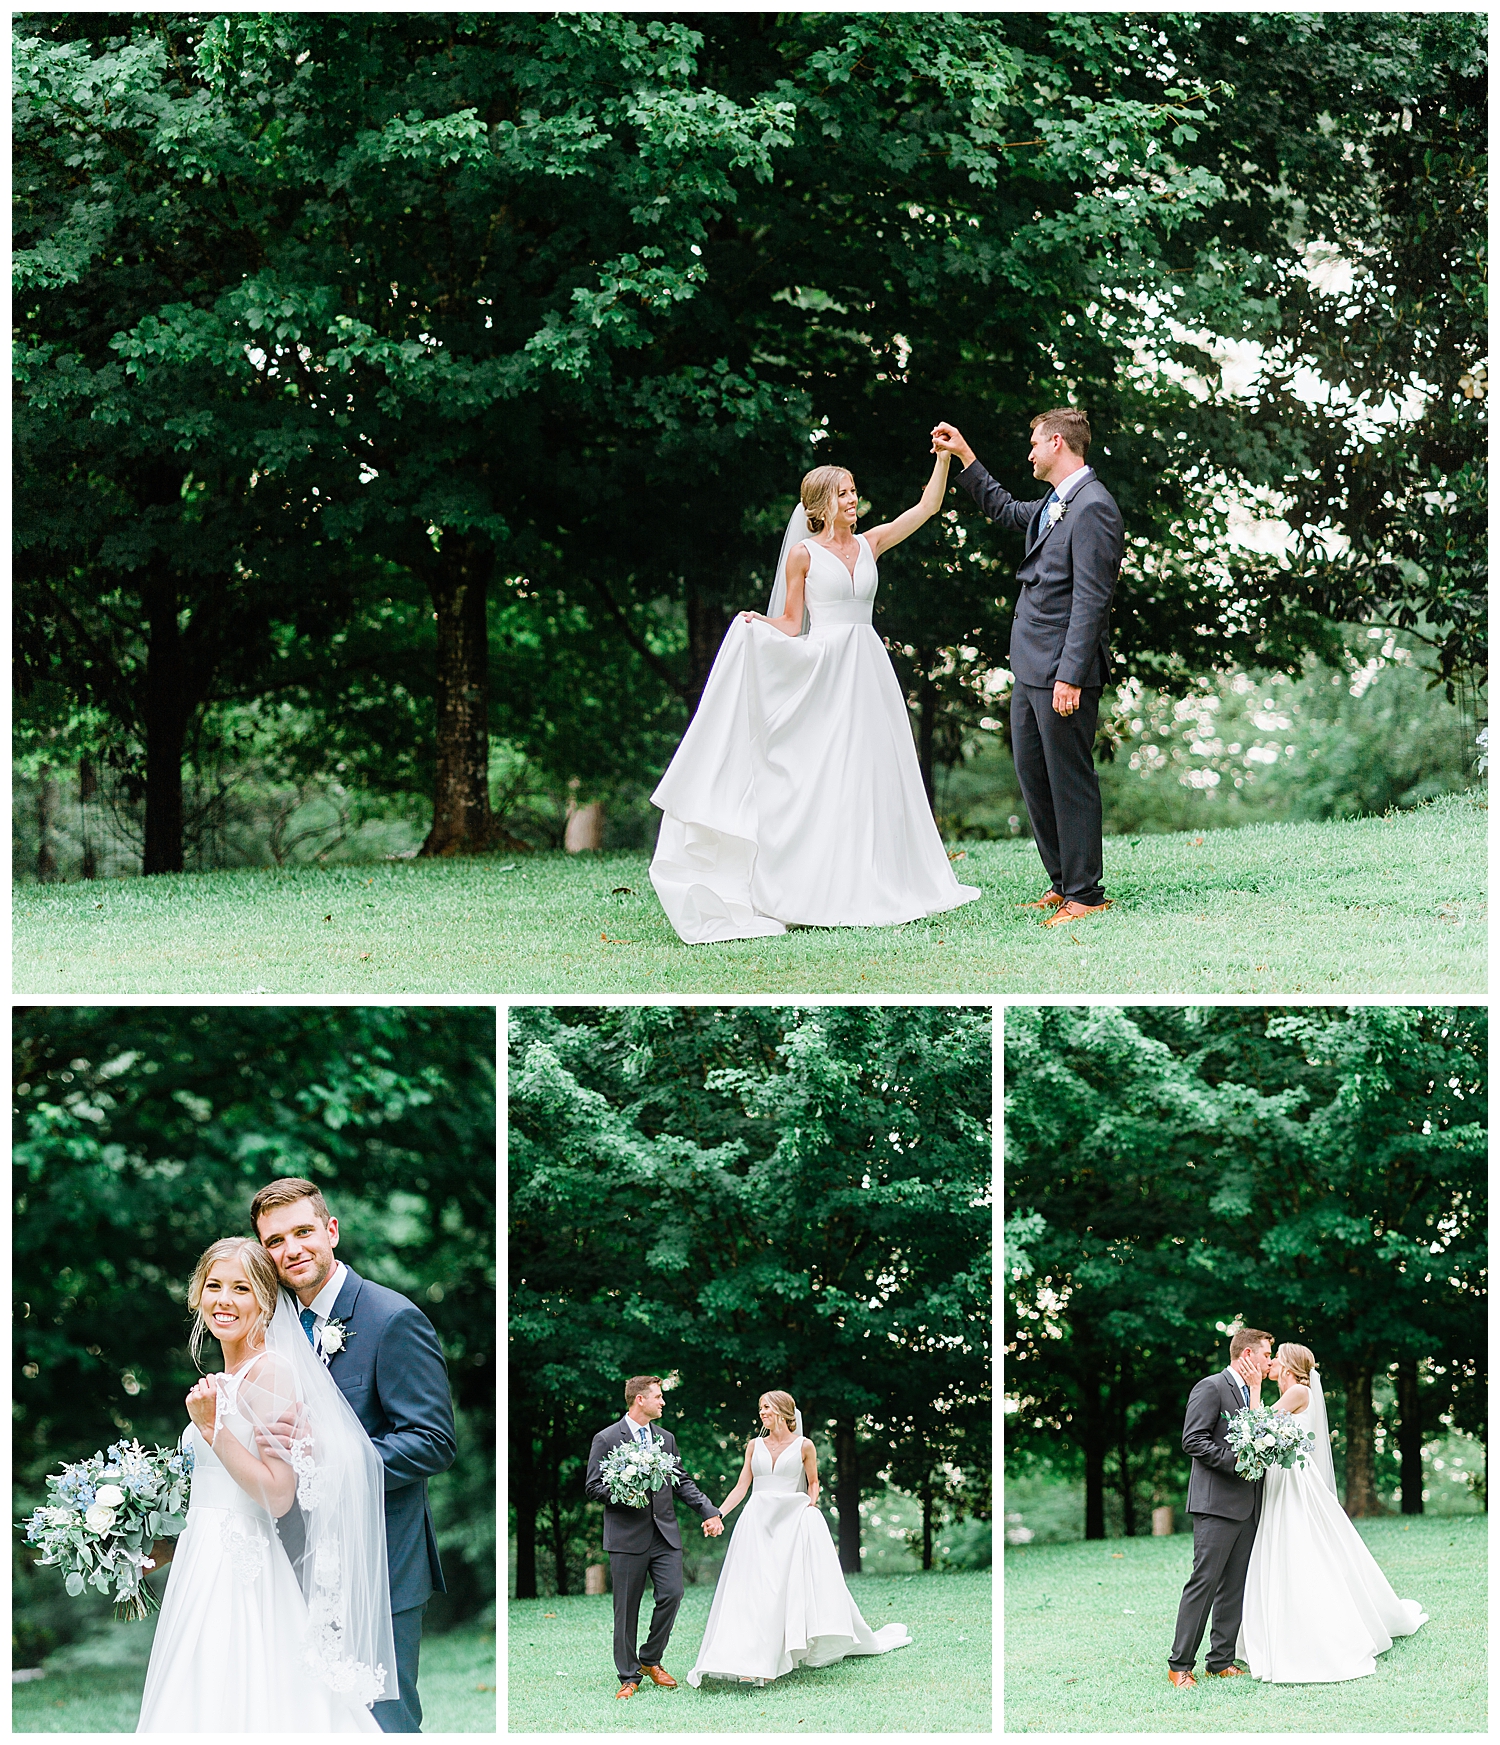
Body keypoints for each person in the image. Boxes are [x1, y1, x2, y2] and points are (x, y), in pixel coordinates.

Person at [648, 452, 981, 942]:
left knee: (874, 772)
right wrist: (755, 625)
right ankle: (811, 886)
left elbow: (928, 507)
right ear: (822, 504)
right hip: (824, 670)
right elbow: (789, 621)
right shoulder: (804, 555)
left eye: (853, 491)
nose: (854, 500)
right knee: (826, 773)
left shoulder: (872, 542)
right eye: (844, 493)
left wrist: (945, 459)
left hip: (868, 668)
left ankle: (880, 879)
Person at [137, 1238, 392, 1732]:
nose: (224, 1300)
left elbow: (277, 1495)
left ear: (265, 1302)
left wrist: (213, 1431)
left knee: (241, 1694)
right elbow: (206, 1495)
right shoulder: (223, 1379)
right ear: (197, 1295)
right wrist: (138, 1552)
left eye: (242, 1288)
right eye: (214, 1286)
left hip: (240, 1566)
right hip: (198, 1559)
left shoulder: (271, 1371)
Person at [252, 1177, 456, 1734]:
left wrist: (331, 1457)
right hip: (298, 1563)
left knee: (383, 1723)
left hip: (381, 1560)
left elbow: (434, 1441)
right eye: (274, 1241)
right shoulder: (274, 1325)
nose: (290, 1250)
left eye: (302, 1232)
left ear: (331, 1231)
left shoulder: (392, 1319)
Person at [931, 411, 1123, 927]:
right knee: (1035, 776)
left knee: (1069, 778)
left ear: (1058, 442)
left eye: (1035, 444)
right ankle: (1061, 885)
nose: (1030, 453)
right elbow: (1004, 508)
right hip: (1031, 665)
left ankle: (1087, 894)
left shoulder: (1094, 507)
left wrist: (1071, 675)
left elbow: (1091, 600)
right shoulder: (1055, 504)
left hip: (1063, 671)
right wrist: (964, 454)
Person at [686, 1390, 911, 1687]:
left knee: (778, 1590)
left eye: (765, 1407)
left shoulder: (805, 1446)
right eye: (760, 1407)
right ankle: (746, 1659)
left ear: (781, 1410)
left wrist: (809, 1507)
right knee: (751, 1590)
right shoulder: (754, 1446)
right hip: (755, 1523)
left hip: (789, 1523)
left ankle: (769, 1661)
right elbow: (742, 1487)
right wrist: (718, 1515)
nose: (761, 1413)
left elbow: (813, 1483)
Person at [1237, 1343, 1427, 1681]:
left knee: (1299, 1544)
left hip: (1293, 1478)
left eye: (1277, 1357)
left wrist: (1253, 1389)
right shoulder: (1295, 1391)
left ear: (1290, 1365)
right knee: (1294, 1544)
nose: (1273, 1362)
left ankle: (1318, 1631)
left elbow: (1257, 1425)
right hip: (1285, 1475)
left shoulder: (1297, 1390)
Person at [584, 1375, 723, 1700]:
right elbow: (593, 1486)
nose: (662, 1402)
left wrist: (709, 1510)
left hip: (664, 1535)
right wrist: (625, 1493)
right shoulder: (606, 1439)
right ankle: (629, 1676)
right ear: (639, 1400)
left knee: (672, 1594)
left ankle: (650, 1659)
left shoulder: (666, 1438)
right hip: (626, 1538)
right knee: (626, 1609)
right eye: (658, 1397)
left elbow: (681, 1481)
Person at [1166, 1328, 1273, 1687]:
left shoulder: (1252, 1395)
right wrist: (1236, 1461)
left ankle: (1220, 1660)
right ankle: (1180, 1665)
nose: (1269, 1362)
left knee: (1235, 1586)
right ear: (1247, 1356)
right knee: (1204, 1582)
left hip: (1248, 1506)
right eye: (1265, 1355)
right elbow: (1192, 1440)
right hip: (1215, 1505)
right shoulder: (1211, 1387)